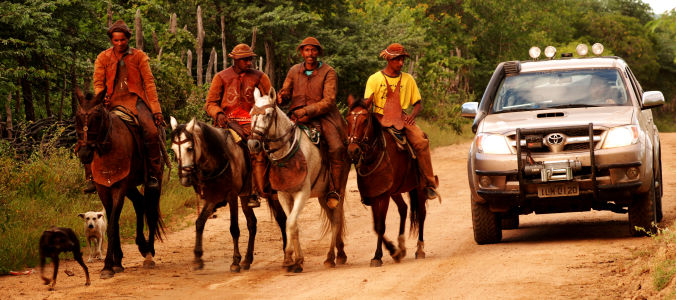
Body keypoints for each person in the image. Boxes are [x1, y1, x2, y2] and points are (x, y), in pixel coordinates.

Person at [88, 19, 164, 192]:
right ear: (111, 40)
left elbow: (149, 84)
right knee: (90, 131)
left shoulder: (139, 56)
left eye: (122, 40)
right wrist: (102, 97)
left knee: (151, 132)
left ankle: (153, 173)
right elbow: (98, 82)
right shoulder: (103, 57)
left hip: (135, 101)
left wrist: (156, 110)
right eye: (116, 40)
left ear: (128, 39)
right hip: (111, 102)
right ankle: (92, 176)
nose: (119, 43)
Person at [278, 37, 348, 208]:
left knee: (337, 147)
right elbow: (287, 91)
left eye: (313, 50)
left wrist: (307, 110)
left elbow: (329, 100)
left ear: (318, 52)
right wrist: (282, 96)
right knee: (272, 141)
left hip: (323, 116)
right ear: (301, 52)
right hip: (296, 116)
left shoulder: (328, 72)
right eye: (307, 50)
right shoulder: (294, 70)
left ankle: (334, 189)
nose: (310, 53)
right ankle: (272, 184)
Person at [363, 43, 439, 199]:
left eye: (402, 59)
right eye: (397, 60)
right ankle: (362, 184)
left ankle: (429, 183)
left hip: (401, 118)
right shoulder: (374, 79)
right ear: (389, 59)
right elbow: (367, 102)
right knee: (357, 142)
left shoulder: (408, 79)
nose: (401, 63)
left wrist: (412, 116)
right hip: (378, 116)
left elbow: (418, 103)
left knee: (421, 141)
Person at [204, 43, 273, 208]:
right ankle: (211, 190)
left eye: (250, 59)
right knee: (208, 150)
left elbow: (269, 99)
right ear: (235, 60)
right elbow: (210, 103)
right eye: (244, 60)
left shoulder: (260, 77)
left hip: (253, 122)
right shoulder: (221, 77)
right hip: (226, 122)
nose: (249, 62)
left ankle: (254, 191)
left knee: (255, 149)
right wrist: (219, 114)